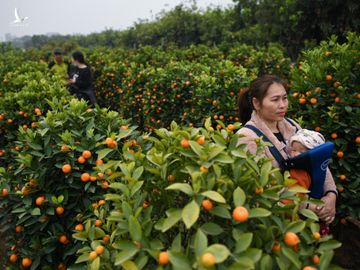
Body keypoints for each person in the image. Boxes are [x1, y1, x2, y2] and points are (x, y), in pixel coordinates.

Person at [236, 75, 337, 225]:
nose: (282, 105)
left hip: (310, 218)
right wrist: (309, 207)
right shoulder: (246, 137)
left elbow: (318, 160)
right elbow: (264, 190)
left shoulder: (292, 126)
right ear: (256, 103)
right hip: (279, 223)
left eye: (284, 98)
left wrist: (330, 196)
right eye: (275, 100)